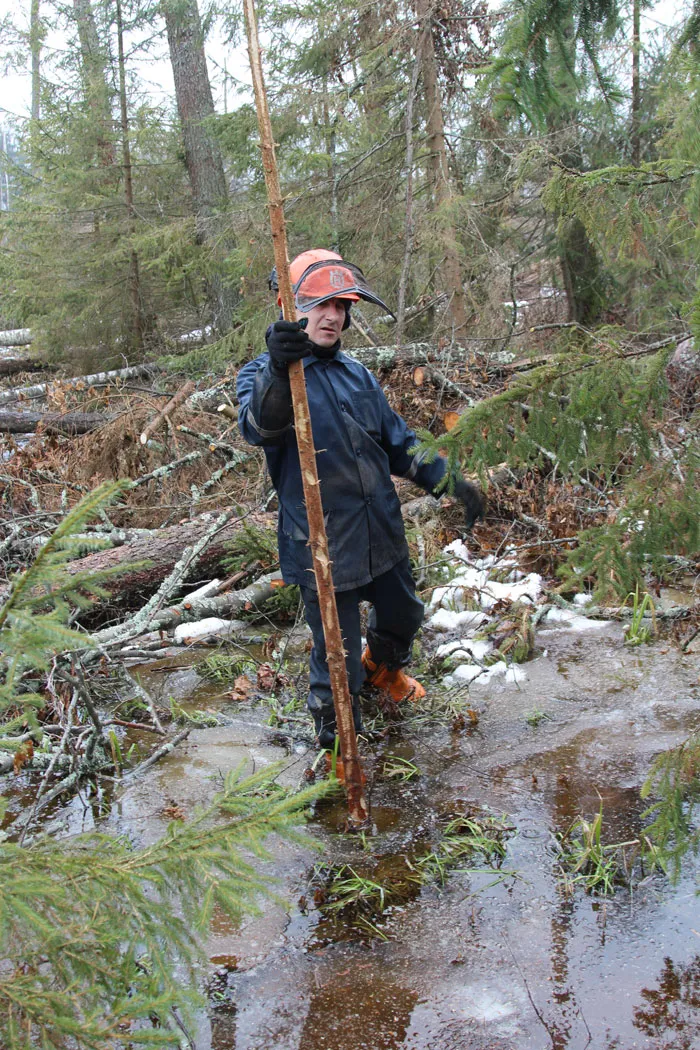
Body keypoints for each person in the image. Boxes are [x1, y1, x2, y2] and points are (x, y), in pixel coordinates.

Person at [237, 249, 484, 751]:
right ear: (292, 306)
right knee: (337, 658)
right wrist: (280, 372)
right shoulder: (264, 374)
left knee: (405, 614)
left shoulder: (357, 374)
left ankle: (382, 671)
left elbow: (397, 442)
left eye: (343, 305)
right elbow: (260, 426)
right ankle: (335, 744)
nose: (334, 316)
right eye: (323, 304)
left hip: (381, 530)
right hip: (322, 545)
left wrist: (452, 481)